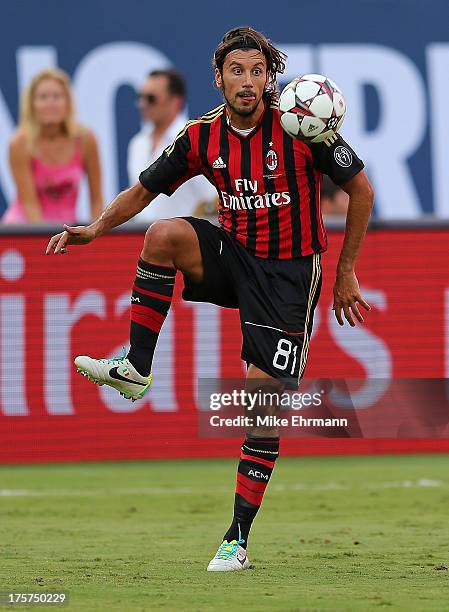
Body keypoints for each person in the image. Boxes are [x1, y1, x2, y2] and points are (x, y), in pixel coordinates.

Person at [46, 27, 374, 572]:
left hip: (289, 277)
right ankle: (136, 365)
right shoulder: (202, 137)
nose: (248, 82)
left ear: (271, 77)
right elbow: (144, 190)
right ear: (218, 78)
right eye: (237, 71)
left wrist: (346, 273)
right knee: (163, 234)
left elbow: (361, 189)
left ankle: (236, 540)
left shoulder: (300, 124)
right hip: (236, 255)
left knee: (261, 403)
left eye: (258, 71)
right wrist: (97, 228)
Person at [3, 68, 103, 224]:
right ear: (32, 105)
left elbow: (96, 200)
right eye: (43, 97)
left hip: (67, 230)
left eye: (57, 96)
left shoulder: (86, 140)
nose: (51, 103)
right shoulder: (19, 144)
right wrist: (43, 243)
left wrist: (96, 235)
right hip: (26, 229)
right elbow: (30, 205)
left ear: (68, 103)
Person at [127, 69, 217, 223]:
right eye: (140, 97)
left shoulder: (194, 140)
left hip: (186, 242)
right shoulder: (137, 144)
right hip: (143, 240)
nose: (142, 104)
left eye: (151, 98)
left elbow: (214, 198)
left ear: (176, 101)